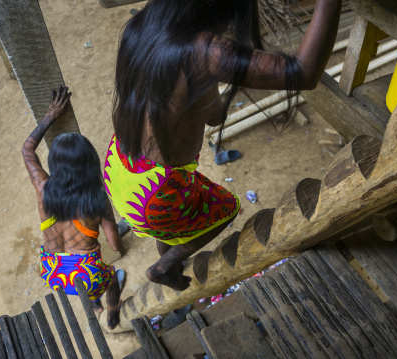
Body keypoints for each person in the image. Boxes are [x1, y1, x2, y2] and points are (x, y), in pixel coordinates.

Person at [105, 0, 341, 291]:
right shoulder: (204, 50)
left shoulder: (144, 26)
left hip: (120, 168)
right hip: (156, 193)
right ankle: (165, 264)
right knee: (226, 209)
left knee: (170, 221)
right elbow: (303, 72)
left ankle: (169, 257)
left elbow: (212, 114)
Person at [22, 86, 125, 329]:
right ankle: (111, 313)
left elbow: (27, 149)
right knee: (111, 279)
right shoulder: (98, 200)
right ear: (89, 163)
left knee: (85, 284)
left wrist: (50, 116)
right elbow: (114, 245)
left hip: (52, 272)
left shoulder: (43, 188)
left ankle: (95, 306)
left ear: (54, 164)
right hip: (88, 276)